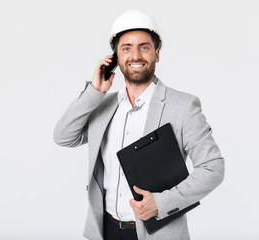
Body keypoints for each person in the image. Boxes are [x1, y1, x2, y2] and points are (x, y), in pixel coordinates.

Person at [53, 9, 224, 240]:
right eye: (126, 48)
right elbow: (63, 136)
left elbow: (213, 168)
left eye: (144, 47)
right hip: (105, 231)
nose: (135, 56)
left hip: (159, 233)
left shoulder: (183, 106)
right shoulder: (102, 107)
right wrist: (94, 91)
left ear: (157, 54)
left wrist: (161, 203)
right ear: (115, 57)